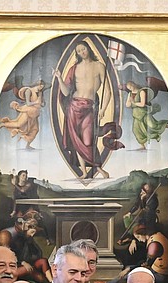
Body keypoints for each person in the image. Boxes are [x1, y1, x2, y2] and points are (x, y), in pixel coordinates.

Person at [54, 38, 121, 179]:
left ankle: (99, 169)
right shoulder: (74, 68)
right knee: (77, 141)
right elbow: (66, 93)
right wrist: (59, 78)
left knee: (88, 141)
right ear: (77, 54)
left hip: (89, 108)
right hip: (73, 107)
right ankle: (84, 172)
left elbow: (108, 91)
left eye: (83, 49)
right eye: (78, 51)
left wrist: (102, 109)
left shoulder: (99, 66)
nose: (82, 52)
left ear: (88, 49)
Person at [124, 81, 168, 149]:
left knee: (152, 125)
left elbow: (142, 104)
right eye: (129, 88)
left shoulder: (141, 92)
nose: (130, 89)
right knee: (136, 130)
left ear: (134, 84)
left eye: (131, 87)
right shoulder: (130, 94)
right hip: (136, 114)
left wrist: (133, 103)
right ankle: (142, 146)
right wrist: (130, 102)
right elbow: (127, 105)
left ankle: (166, 126)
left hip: (144, 113)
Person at [0, 81, 45, 148]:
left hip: (34, 113)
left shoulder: (39, 93)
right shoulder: (29, 91)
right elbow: (28, 103)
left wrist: (41, 103)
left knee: (35, 129)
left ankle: (28, 145)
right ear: (37, 84)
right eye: (40, 86)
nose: (40, 88)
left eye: (42, 87)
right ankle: (3, 124)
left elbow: (41, 103)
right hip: (28, 110)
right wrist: (36, 102)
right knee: (19, 124)